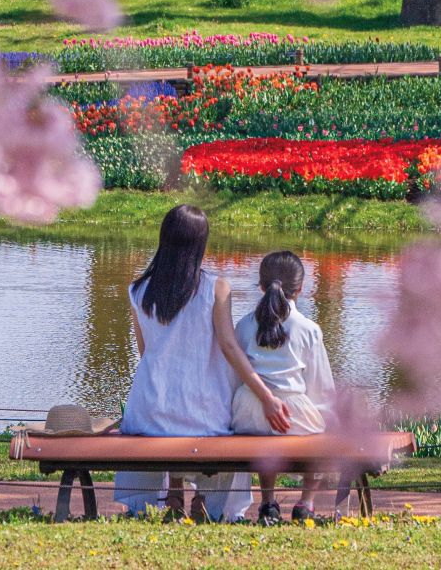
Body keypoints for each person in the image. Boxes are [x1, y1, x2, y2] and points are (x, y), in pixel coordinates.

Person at [119, 204, 290, 522]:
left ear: (164, 238)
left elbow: (145, 354)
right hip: (203, 416)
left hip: (149, 413)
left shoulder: (138, 290)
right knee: (217, 418)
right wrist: (266, 397)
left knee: (173, 413)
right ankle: (207, 504)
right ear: (200, 244)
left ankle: (172, 494)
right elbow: (228, 346)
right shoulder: (215, 287)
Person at [231, 250, 336, 524]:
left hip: (247, 412)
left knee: (266, 431)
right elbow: (321, 388)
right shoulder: (307, 329)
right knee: (325, 424)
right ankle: (306, 502)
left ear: (261, 286)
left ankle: (268, 501)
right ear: (301, 288)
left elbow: (233, 378)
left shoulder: (243, 326)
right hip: (292, 415)